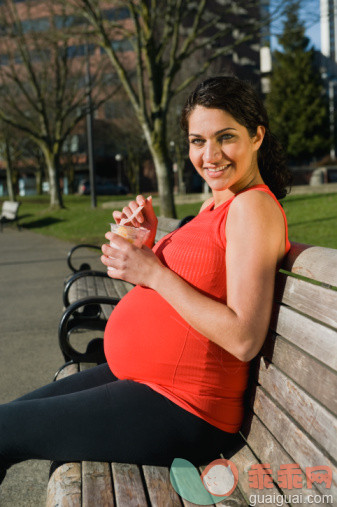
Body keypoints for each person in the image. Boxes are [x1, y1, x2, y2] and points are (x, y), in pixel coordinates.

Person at [0, 76, 291, 484]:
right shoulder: (218, 203)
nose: (209, 155)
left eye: (225, 137)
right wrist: (147, 251)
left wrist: (152, 271)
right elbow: (186, 295)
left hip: (184, 408)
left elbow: (244, 338)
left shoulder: (252, 207)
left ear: (257, 136)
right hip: (145, 383)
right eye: (197, 140)